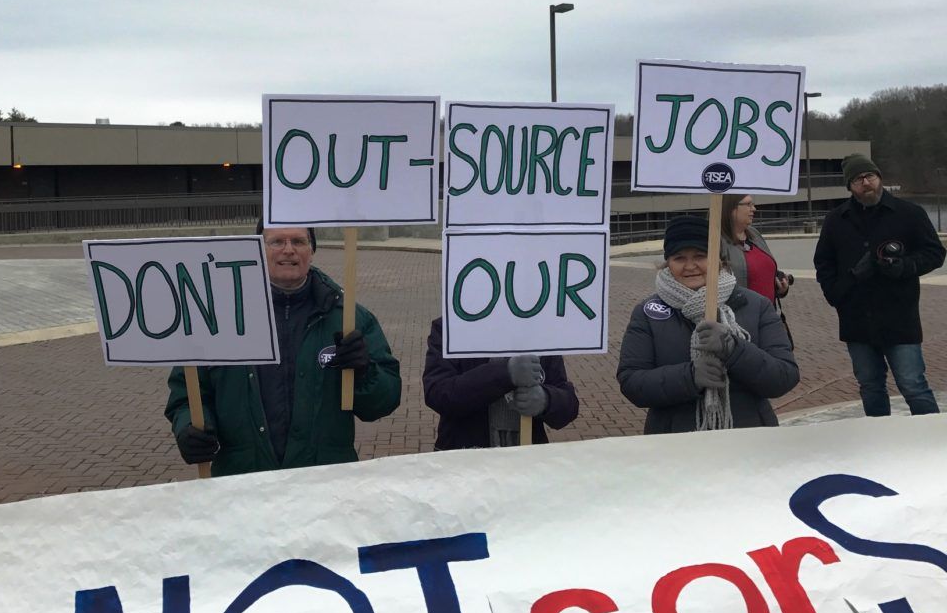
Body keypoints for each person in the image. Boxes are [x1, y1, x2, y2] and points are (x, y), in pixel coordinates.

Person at [164, 222, 402, 475]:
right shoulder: (218, 318)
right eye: (277, 242)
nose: (288, 250)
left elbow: (384, 402)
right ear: (257, 250)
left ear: (312, 250)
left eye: (299, 241)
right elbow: (188, 394)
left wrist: (365, 373)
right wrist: (189, 427)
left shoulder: (349, 320)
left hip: (326, 482)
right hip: (243, 481)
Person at [616, 215, 799, 433]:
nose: (690, 266)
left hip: (748, 438)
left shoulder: (755, 305)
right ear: (667, 262)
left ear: (719, 259)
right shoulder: (648, 312)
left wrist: (735, 350)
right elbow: (632, 382)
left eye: (700, 256)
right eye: (679, 258)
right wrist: (689, 377)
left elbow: (784, 377)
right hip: (674, 442)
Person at [813, 153, 945, 416]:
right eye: (858, 179)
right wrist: (841, 289)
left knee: (913, 385)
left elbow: (934, 253)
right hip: (857, 321)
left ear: (879, 179)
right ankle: (878, 443)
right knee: (870, 386)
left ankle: (935, 443)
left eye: (870, 176)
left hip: (899, 318)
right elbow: (824, 263)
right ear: (849, 186)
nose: (866, 182)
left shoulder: (909, 214)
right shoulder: (836, 220)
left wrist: (904, 267)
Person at [422, 317, 579, 448]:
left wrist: (547, 400)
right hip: (463, 462)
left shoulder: (537, 332)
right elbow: (437, 393)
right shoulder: (451, 327)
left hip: (526, 463)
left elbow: (569, 405)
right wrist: (504, 373)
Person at [720, 193, 790, 304]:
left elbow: (766, 272)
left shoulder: (754, 234)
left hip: (768, 315)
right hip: (741, 317)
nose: (754, 209)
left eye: (753, 204)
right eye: (748, 204)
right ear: (731, 208)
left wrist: (780, 289)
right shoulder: (718, 242)